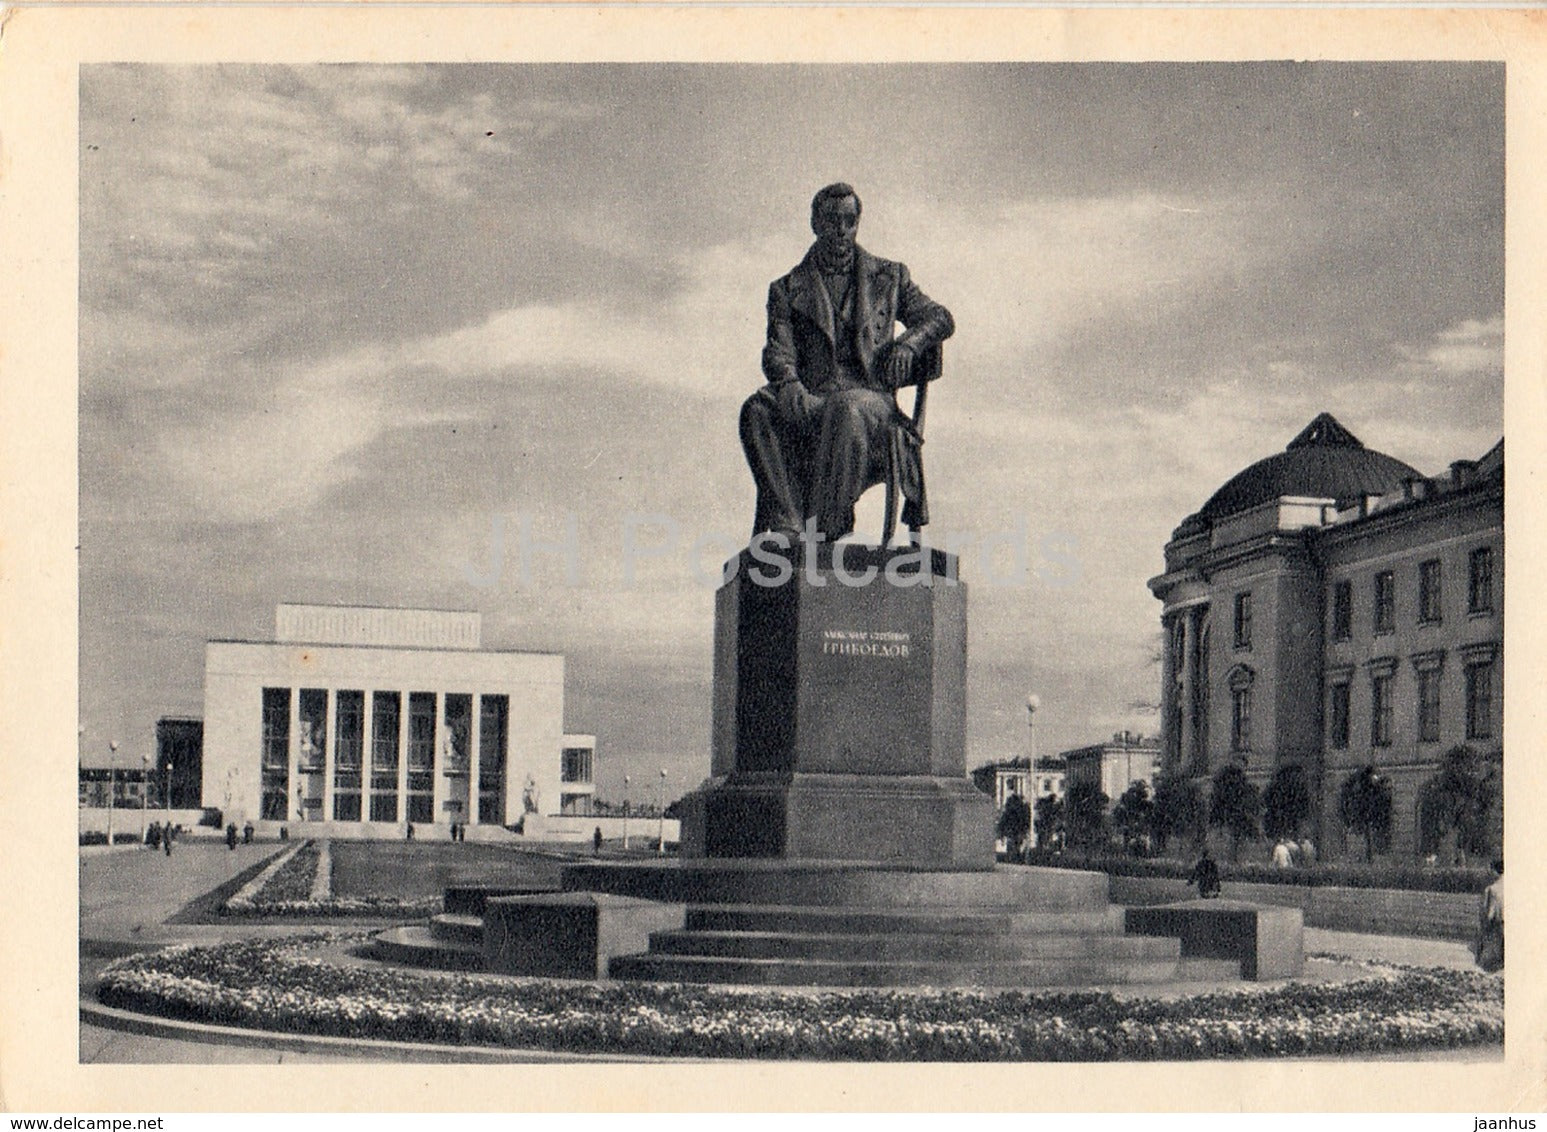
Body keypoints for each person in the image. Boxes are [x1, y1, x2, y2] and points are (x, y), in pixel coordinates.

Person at [739, 183, 956, 543]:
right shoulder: (786, 288)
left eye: (849, 221)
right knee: (756, 410)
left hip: (872, 404)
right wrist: (790, 385)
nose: (841, 229)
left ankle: (824, 530)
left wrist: (909, 344)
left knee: (846, 409)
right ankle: (788, 523)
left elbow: (940, 317)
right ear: (815, 223)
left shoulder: (890, 276)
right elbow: (778, 351)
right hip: (813, 399)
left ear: (857, 223)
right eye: (831, 220)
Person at [1475, 857, 1504, 972]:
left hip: (1498, 927)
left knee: (1488, 963)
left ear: (1495, 871)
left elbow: (1490, 914)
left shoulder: (1492, 889)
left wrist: (1483, 929)